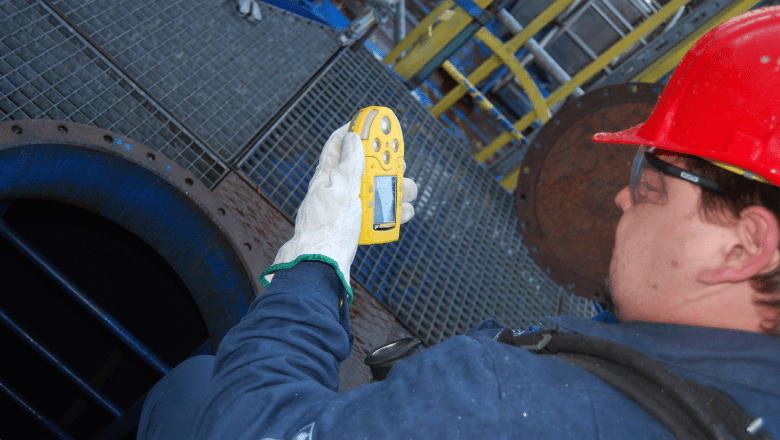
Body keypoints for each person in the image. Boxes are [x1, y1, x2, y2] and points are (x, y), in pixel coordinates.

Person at [137, 7, 780, 439]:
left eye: (652, 187)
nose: (622, 199)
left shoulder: (501, 401)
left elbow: (260, 428)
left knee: (193, 389)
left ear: (744, 246)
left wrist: (315, 261)